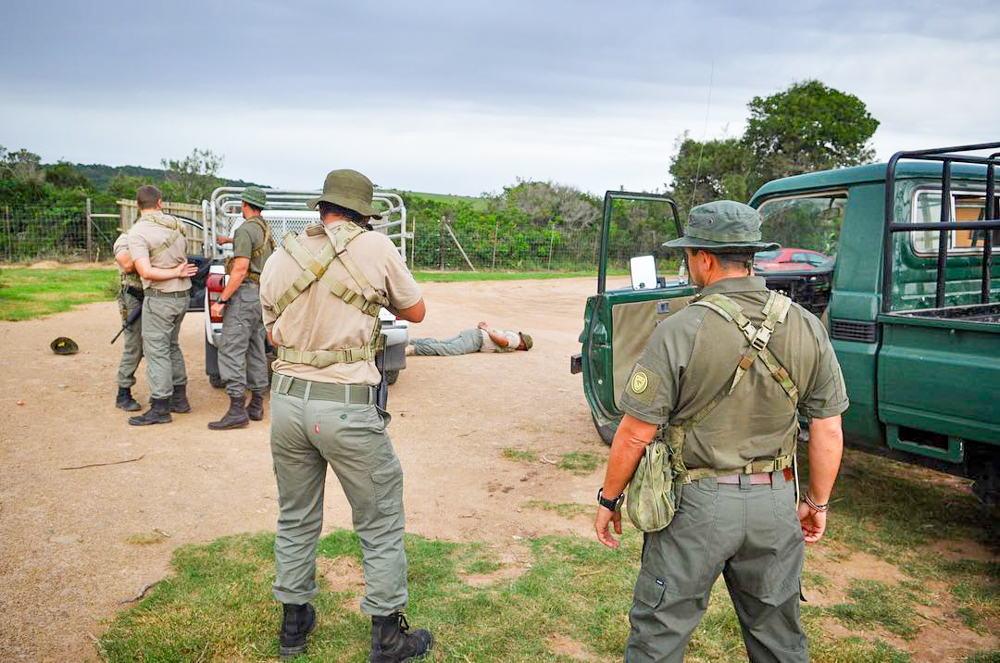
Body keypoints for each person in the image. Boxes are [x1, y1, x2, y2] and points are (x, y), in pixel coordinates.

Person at [593, 200, 848, 662]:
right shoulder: (807, 325)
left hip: (697, 504)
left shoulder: (680, 328)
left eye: (689, 254)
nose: (688, 264)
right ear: (750, 256)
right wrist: (817, 502)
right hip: (776, 500)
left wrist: (610, 500)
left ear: (705, 259)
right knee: (779, 636)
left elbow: (634, 433)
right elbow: (828, 429)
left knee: (661, 631)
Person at [259, 169, 434, 661]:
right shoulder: (375, 248)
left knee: (295, 516)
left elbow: (272, 332)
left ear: (323, 208)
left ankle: (294, 624)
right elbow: (416, 312)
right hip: (346, 405)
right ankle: (389, 637)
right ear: (363, 212)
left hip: (289, 401)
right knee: (378, 522)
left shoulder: (282, 253)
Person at [126, 185, 197, 426]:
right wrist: (179, 271)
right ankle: (180, 399)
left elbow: (145, 271)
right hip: (183, 295)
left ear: (138, 205)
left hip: (160, 297)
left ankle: (160, 406)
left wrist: (173, 271)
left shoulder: (137, 233)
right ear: (159, 202)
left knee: (156, 351)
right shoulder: (178, 224)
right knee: (172, 345)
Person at [207, 186, 275, 430]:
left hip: (245, 295)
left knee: (230, 349)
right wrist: (231, 240)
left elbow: (240, 269)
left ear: (244, 204)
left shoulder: (245, 229)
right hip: (261, 297)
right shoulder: (263, 229)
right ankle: (256, 404)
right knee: (256, 348)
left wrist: (222, 300)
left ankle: (237, 409)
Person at [112, 229, 144, 411]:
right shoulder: (125, 239)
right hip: (134, 296)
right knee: (134, 345)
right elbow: (128, 265)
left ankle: (165, 393)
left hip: (156, 295)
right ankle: (123, 392)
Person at [406, 321, 532, 356]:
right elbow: (503, 342)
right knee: (450, 349)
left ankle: (411, 341)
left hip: (474, 334)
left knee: (442, 343)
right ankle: (413, 349)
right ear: (523, 345)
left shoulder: (511, 334)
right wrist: (487, 329)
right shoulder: (515, 341)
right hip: (477, 339)